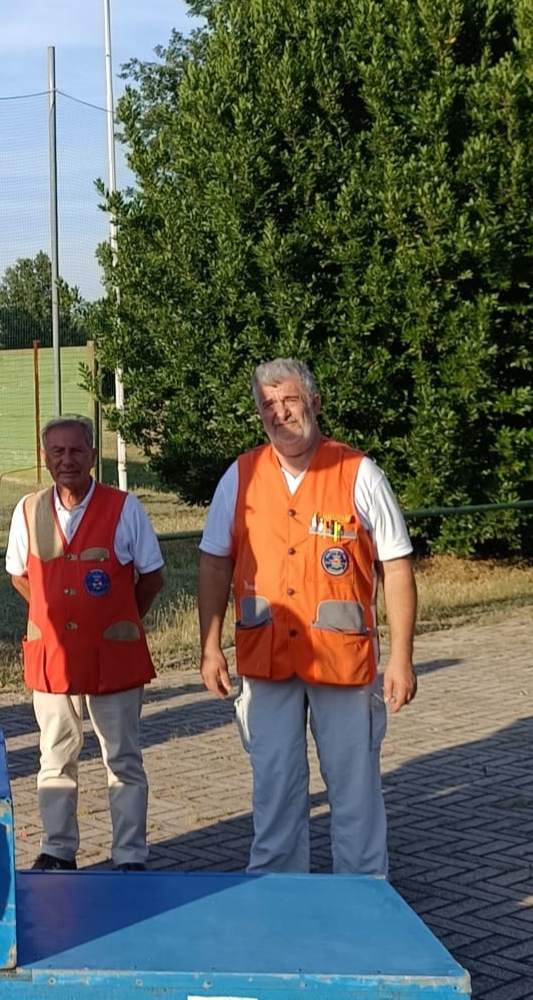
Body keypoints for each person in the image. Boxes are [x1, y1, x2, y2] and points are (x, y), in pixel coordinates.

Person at [197, 358, 418, 876]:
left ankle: (363, 891)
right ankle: (277, 892)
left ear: (315, 404)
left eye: (290, 400)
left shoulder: (358, 472)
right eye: (268, 404)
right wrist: (209, 647)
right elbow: (214, 562)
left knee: (354, 786)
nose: (279, 413)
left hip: (341, 661)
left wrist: (402, 659)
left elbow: (396, 566)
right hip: (265, 656)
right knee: (274, 786)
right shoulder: (240, 476)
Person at [6, 416, 165, 872]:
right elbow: (19, 575)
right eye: (57, 451)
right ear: (45, 458)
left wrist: (118, 617)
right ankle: (58, 850)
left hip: (114, 658)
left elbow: (152, 577)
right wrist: (53, 615)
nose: (67, 460)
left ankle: (130, 855)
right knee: (55, 756)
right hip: (52, 658)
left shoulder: (125, 508)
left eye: (76, 450)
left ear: (93, 456)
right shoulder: (27, 510)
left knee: (123, 759)